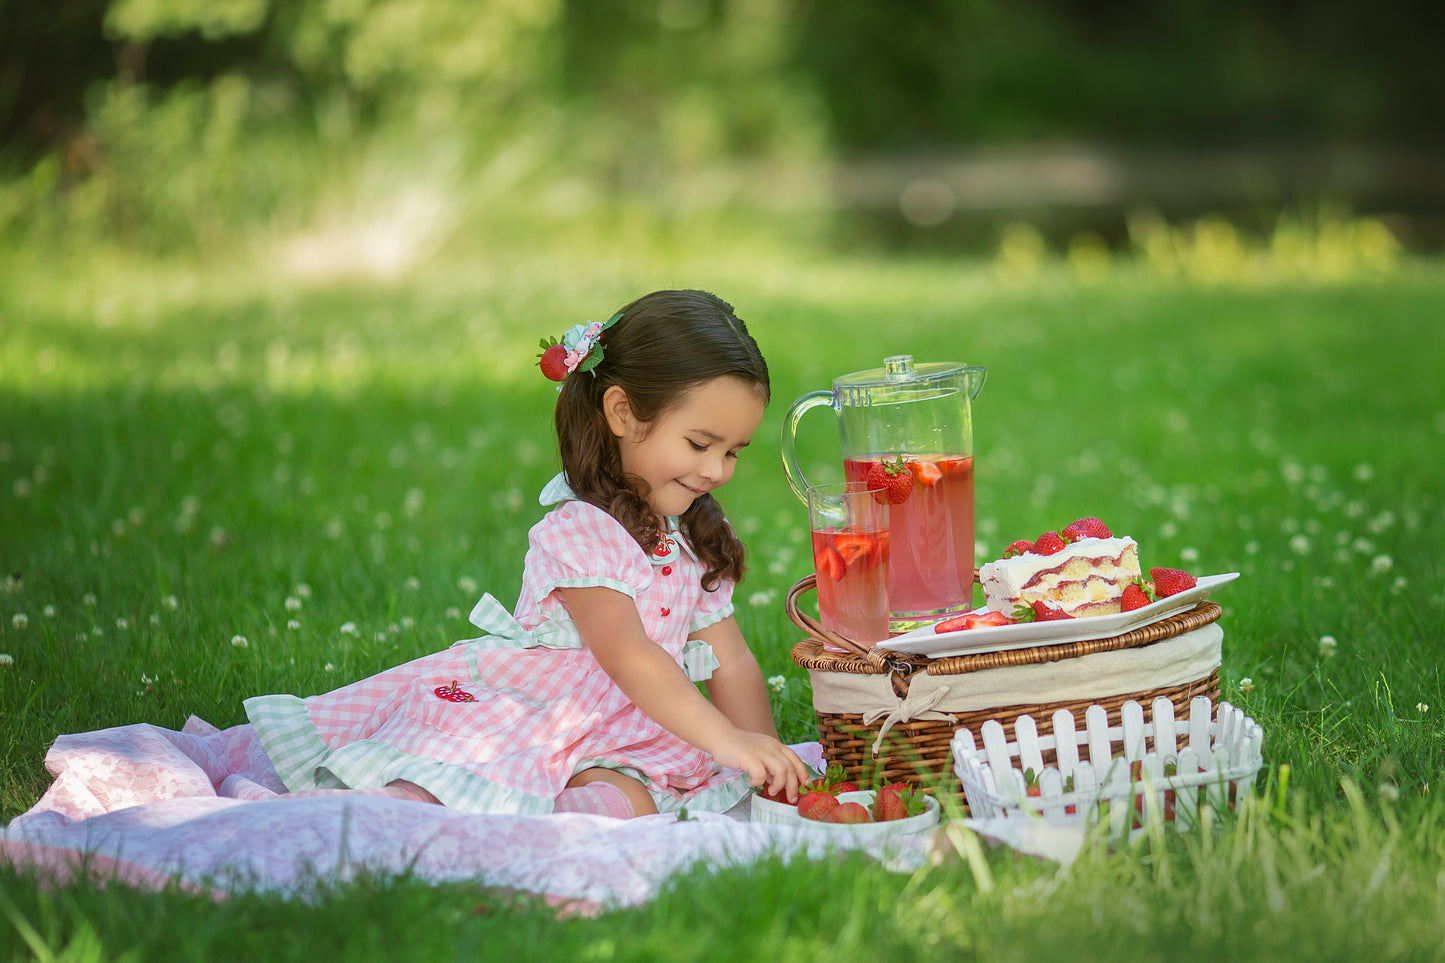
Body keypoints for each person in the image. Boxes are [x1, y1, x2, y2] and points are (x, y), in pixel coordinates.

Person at [245, 290, 809, 819]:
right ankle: (421, 816)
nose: (715, 471)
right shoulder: (584, 530)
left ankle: (569, 816)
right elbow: (628, 654)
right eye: (700, 444)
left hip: (629, 732)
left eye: (733, 452)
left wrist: (765, 760)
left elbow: (730, 661)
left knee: (636, 800)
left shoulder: (692, 534)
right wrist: (726, 739)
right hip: (541, 716)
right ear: (621, 413)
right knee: (458, 780)